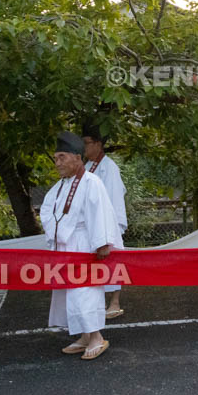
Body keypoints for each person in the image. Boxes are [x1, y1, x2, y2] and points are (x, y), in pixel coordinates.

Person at [43, 131, 122, 360]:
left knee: (85, 292)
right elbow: (48, 211)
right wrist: (58, 232)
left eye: (62, 157)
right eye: (56, 158)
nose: (57, 163)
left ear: (77, 158)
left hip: (84, 247)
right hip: (66, 247)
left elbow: (100, 214)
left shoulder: (91, 182)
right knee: (70, 294)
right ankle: (84, 336)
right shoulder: (61, 186)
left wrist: (102, 244)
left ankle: (96, 337)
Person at [82, 122, 128, 318]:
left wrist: (115, 227)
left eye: (87, 143)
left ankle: (115, 302)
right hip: (91, 223)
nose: (84, 148)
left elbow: (115, 199)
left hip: (108, 223)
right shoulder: (88, 166)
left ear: (98, 144)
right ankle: (97, 301)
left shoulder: (109, 167)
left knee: (114, 262)